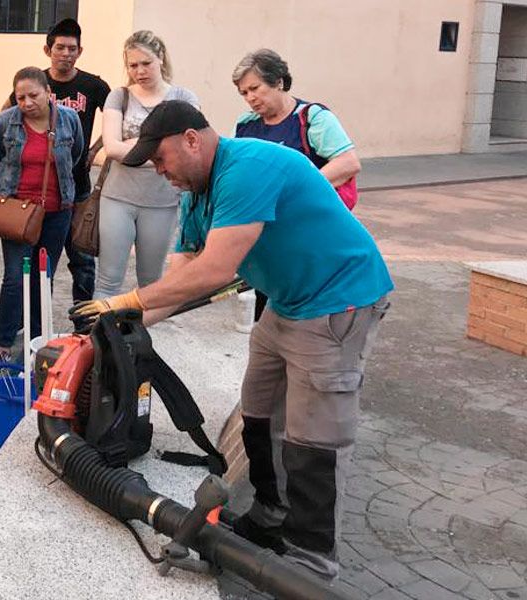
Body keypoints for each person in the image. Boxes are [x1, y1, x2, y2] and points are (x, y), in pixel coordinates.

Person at [70, 101, 393, 579]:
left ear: (191, 140)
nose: (160, 172)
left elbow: (215, 271)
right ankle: (269, 517)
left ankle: (310, 565)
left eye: (161, 159)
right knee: (257, 409)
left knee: (314, 439)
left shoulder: (249, 167)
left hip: (337, 304)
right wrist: (116, 332)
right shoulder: (196, 194)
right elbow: (181, 281)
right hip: (287, 301)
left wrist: (125, 301)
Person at [231, 49, 361, 320]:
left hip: (311, 236)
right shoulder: (246, 126)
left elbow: (348, 163)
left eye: (255, 88)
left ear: (278, 81)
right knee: (267, 311)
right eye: (244, 93)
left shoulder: (313, 118)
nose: (250, 98)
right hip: (269, 237)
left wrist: (296, 191)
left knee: (307, 312)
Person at [3, 18, 110, 303]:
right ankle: (37, 323)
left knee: (83, 259)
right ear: (47, 49)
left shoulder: (93, 85)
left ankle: (83, 321)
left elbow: (115, 119)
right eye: (60, 47)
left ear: (80, 51)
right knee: (40, 265)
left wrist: (93, 149)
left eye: (72, 48)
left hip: (78, 188)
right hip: (35, 194)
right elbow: (5, 120)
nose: (66, 53)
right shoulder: (34, 83)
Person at [95, 31, 198, 299]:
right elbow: (113, 148)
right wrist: (161, 143)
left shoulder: (184, 98)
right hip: (117, 197)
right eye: (133, 65)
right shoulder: (119, 96)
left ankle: (146, 338)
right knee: (107, 280)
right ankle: (98, 338)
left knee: (151, 282)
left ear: (161, 58)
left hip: (162, 202)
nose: (139, 71)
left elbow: (187, 149)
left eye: (146, 63)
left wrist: (135, 146)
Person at [0, 67, 83, 363]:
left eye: (33, 95)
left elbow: (75, 155)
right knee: (15, 278)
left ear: (47, 93)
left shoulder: (68, 119)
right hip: (18, 213)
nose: (27, 102)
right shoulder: (6, 121)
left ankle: (36, 344)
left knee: (44, 278)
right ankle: (4, 343)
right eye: (21, 97)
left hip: (58, 213)